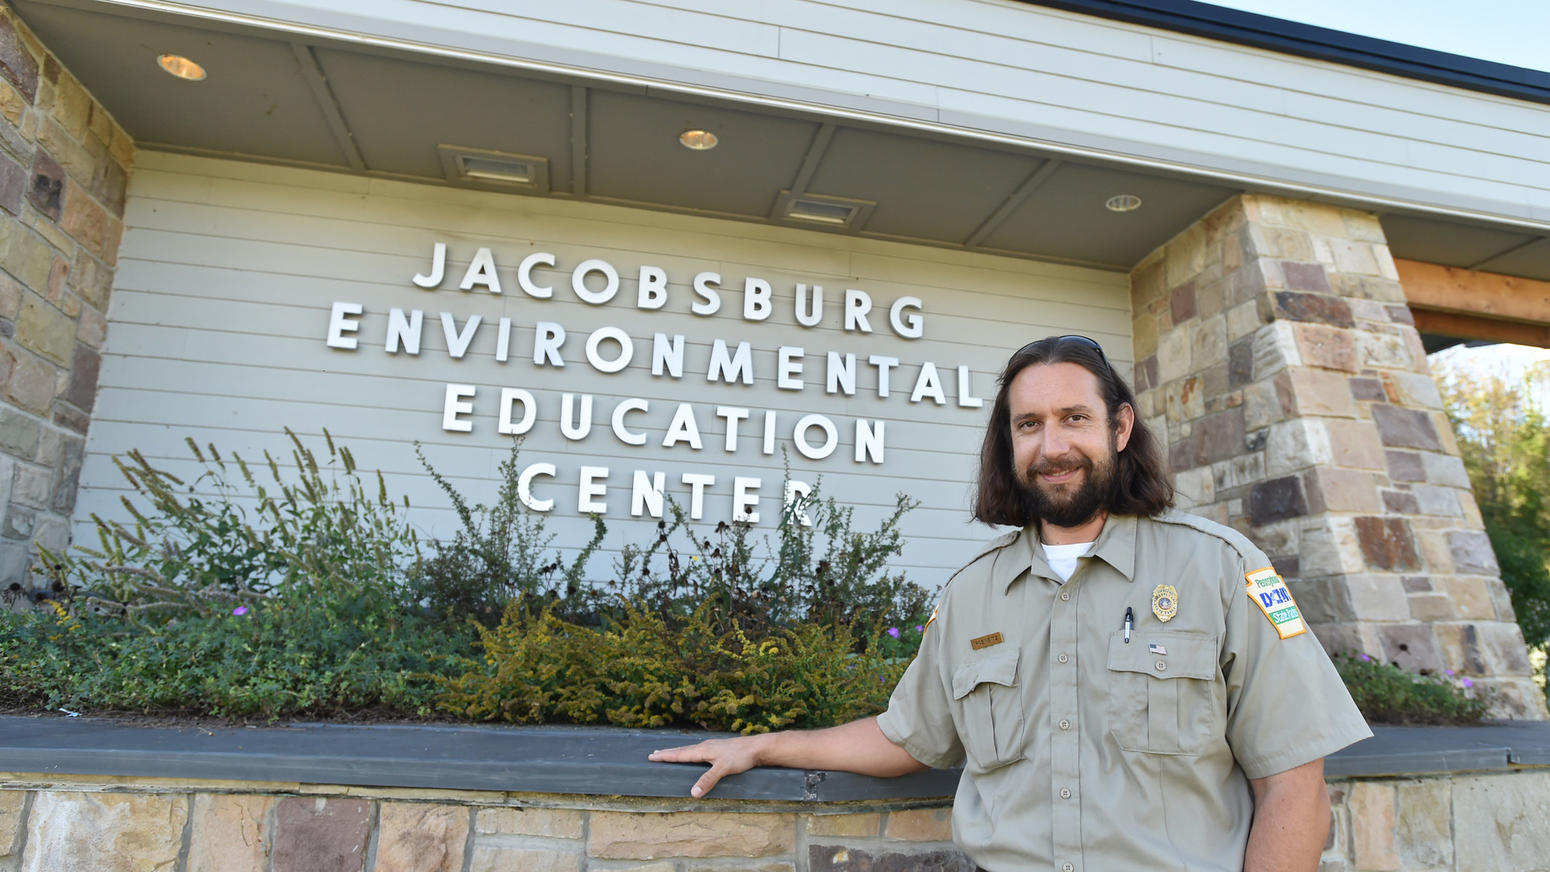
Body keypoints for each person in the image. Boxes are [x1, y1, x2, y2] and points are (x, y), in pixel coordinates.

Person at [650, 334, 1372, 872]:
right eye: (1029, 425)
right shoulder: (974, 593)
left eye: (1073, 419)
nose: (1051, 445)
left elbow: (1294, 787)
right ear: (1010, 442)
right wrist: (764, 745)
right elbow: (910, 736)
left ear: (1119, 430)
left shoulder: (1218, 567)